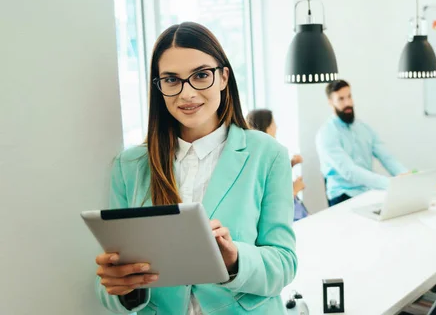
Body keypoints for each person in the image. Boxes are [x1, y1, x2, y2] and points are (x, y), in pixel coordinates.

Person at [94, 22, 297, 314]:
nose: (187, 93)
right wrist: (122, 289)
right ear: (158, 86)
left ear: (224, 77)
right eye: (172, 80)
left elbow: (284, 263)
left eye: (201, 75)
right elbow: (113, 286)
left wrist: (235, 260)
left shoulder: (268, 155)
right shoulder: (129, 166)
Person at [315, 80, 409, 207]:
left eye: (349, 96)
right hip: (343, 195)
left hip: (367, 192)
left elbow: (387, 157)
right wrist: (389, 184)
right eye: (341, 99)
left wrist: (406, 177)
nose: (348, 103)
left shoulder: (364, 128)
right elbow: (349, 172)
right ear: (331, 102)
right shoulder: (326, 133)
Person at [246, 109, 309, 221]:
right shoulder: (267, 154)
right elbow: (269, 202)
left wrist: (291, 164)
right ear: (268, 127)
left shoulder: (258, 153)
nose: (277, 127)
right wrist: (294, 190)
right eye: (274, 123)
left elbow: (273, 177)